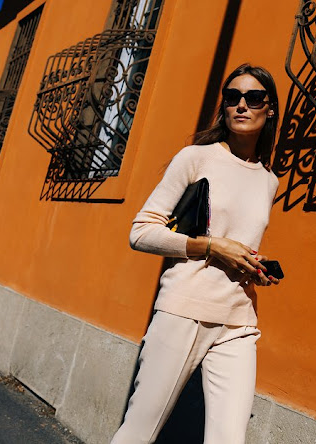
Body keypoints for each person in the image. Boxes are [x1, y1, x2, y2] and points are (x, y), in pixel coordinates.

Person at [111, 63, 281, 444]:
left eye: (254, 98)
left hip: (238, 321)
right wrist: (212, 246)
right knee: (138, 433)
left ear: (269, 109)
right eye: (232, 97)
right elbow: (141, 232)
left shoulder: (269, 181)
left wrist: (252, 265)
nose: (241, 105)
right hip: (184, 309)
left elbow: (240, 241)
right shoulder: (195, 158)